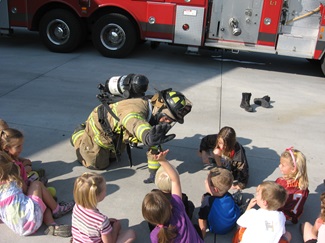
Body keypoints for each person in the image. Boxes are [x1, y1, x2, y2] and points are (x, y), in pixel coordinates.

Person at [71, 74, 192, 183]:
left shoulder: (155, 113)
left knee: (114, 158)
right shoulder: (135, 107)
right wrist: (146, 136)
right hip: (99, 128)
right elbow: (134, 121)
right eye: (167, 118)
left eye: (171, 121)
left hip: (115, 133)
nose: (167, 123)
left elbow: (153, 143)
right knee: (97, 164)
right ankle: (79, 134)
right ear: (160, 108)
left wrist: (153, 172)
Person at [0, 151, 74, 237]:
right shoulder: (14, 180)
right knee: (36, 185)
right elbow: (26, 190)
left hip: (17, 227)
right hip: (33, 219)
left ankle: (52, 225)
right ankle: (57, 210)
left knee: (38, 205)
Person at [142, 149, 204, 243]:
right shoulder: (178, 210)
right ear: (170, 205)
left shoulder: (155, 235)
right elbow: (175, 180)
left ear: (150, 220)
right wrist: (162, 161)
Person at [71, 172, 136, 243]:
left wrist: (106, 225)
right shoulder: (101, 220)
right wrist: (115, 229)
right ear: (96, 196)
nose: (106, 191)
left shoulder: (76, 206)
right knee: (131, 234)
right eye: (104, 189)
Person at [146, 164, 195, 231]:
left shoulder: (153, 196)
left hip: (158, 225)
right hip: (176, 225)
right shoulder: (182, 197)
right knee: (190, 205)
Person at [198, 167, 241, 238]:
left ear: (215, 189)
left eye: (207, 182)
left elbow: (202, 219)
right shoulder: (228, 195)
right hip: (231, 225)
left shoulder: (207, 200)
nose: (205, 182)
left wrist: (202, 235)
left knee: (203, 212)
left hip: (216, 229)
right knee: (234, 206)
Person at [276, 147, 309, 224]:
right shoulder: (304, 186)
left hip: (282, 218)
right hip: (295, 217)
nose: (279, 166)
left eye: (282, 165)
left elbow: (274, 200)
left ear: (293, 169)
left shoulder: (281, 182)